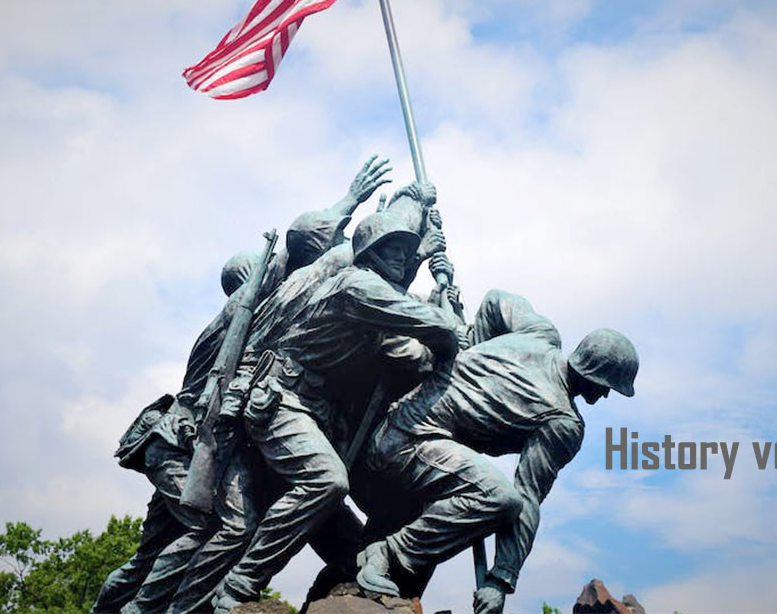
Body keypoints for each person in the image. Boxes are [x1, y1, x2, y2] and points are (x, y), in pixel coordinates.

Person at [92, 157, 391, 614]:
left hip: (198, 443)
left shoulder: (256, 322)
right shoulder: (240, 313)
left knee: (152, 555)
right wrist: (352, 203)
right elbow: (299, 253)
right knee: (225, 526)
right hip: (182, 443)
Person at [207, 201, 465, 614]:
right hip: (281, 399)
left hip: (310, 411)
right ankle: (238, 586)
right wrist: (449, 326)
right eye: (394, 248)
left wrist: (440, 298)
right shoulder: (356, 285)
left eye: (406, 249)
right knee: (327, 481)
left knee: (349, 544)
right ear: (373, 253)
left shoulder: (371, 289)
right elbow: (429, 326)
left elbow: (411, 349)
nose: (402, 256)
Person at [354, 289, 638, 614]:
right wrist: (500, 580)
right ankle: (386, 555)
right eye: (607, 387)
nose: (604, 396)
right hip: (408, 444)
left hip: (401, 424)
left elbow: (495, 301)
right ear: (596, 376)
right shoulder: (563, 423)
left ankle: (378, 569)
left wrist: (473, 351)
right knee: (500, 499)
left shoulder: (541, 333)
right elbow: (527, 497)